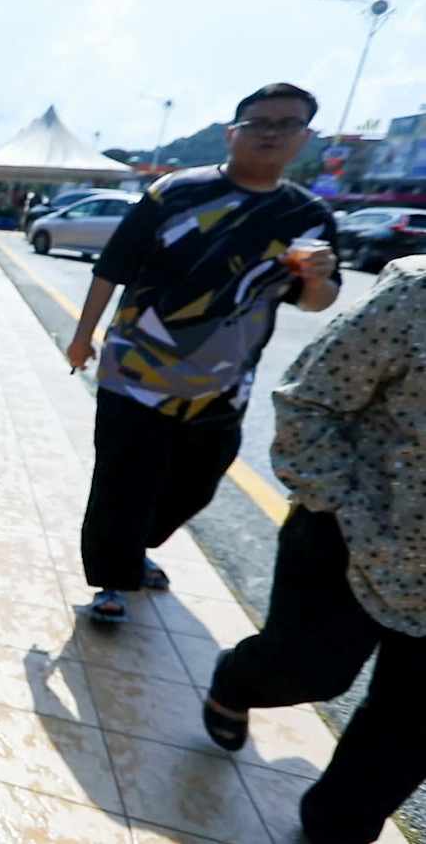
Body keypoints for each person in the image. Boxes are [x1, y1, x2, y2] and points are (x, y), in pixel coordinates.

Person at [65, 83, 340, 623]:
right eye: (259, 123)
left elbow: (316, 303)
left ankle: (135, 546)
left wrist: (318, 279)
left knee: (195, 484)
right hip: (135, 372)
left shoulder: (308, 218)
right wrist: (83, 336)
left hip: (223, 387)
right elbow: (113, 267)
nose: (271, 134)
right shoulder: (174, 193)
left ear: (304, 138)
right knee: (123, 481)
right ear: (232, 132)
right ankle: (113, 581)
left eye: (286, 125)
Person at [202, 256, 426, 844]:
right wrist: (338, 504)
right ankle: (237, 680)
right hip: (353, 536)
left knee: (411, 725)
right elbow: (309, 401)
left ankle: (337, 827)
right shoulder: (415, 295)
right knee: (308, 671)